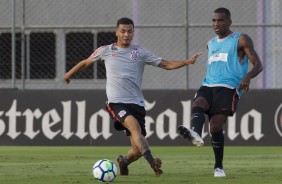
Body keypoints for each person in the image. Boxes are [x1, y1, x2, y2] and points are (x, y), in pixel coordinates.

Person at [64, 17, 201, 176]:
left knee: (136, 150)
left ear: (133, 32)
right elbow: (86, 62)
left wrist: (187, 61)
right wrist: (69, 74)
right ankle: (152, 162)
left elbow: (165, 64)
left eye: (129, 31)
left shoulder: (140, 52)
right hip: (116, 102)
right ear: (116, 32)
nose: (126, 34)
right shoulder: (106, 50)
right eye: (122, 31)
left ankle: (123, 161)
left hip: (137, 103)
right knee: (134, 126)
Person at [178, 7, 263, 177]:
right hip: (208, 85)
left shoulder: (241, 39)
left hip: (229, 89)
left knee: (215, 127)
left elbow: (258, 65)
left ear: (229, 22)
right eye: (214, 20)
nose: (216, 24)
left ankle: (218, 167)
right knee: (199, 103)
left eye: (221, 20)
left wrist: (247, 77)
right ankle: (195, 133)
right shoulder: (211, 43)